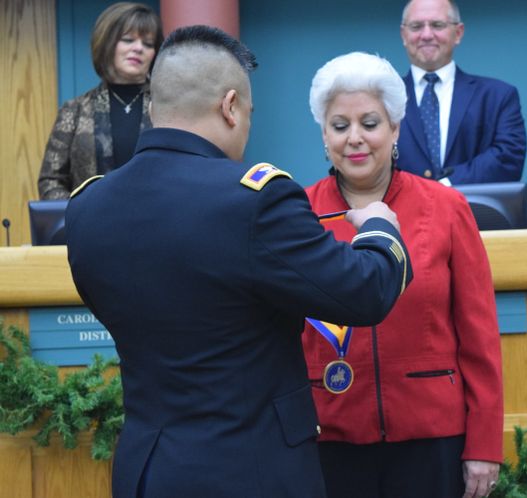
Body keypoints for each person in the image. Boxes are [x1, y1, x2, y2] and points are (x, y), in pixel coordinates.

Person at [65, 27, 413, 498]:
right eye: (248, 113)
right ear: (230, 106)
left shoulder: (89, 206)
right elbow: (364, 291)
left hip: (147, 470)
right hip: (252, 469)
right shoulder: (254, 200)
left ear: (153, 108)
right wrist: (379, 226)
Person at [303, 51, 503, 498]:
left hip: (431, 438)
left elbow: (479, 336)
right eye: (340, 126)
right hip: (328, 437)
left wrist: (485, 444)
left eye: (370, 123)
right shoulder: (298, 212)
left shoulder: (446, 208)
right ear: (324, 134)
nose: (355, 138)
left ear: (394, 129)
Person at [38, 2, 162, 200]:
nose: (138, 48)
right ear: (107, 43)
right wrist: (79, 211)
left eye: (148, 44)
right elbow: (51, 180)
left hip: (157, 223)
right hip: (90, 226)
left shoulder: (166, 107)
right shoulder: (75, 110)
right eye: (128, 39)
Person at [397, 0, 526, 185]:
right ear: (404, 34)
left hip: (474, 210)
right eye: (416, 26)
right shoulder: (382, 98)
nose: (426, 35)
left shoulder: (498, 96)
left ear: (458, 33)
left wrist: (444, 185)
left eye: (437, 25)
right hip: (401, 211)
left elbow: (508, 158)